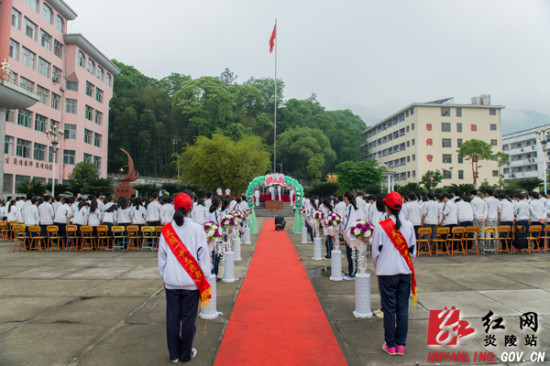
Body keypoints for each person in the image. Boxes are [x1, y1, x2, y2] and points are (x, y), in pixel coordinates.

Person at [158, 193, 211, 363]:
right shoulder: (197, 229)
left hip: (172, 280)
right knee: (189, 318)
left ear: (174, 208)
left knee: (172, 318)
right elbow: (203, 256)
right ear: (191, 209)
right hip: (191, 282)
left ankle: (174, 354)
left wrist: (164, 277)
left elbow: (162, 259)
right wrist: (205, 277)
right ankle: (185, 353)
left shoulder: (166, 230)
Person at [371, 191, 416, 357]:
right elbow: (412, 252)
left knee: (389, 310)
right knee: (402, 309)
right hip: (405, 273)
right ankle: (400, 345)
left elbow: (375, 253)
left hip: (386, 274)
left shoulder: (381, 227)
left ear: (387, 208)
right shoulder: (409, 226)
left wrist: (379, 267)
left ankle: (390, 345)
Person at [342, 192, 357, 280]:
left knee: (352, 254)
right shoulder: (348, 207)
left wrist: (344, 230)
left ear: (346, 198)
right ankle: (351, 271)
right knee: (349, 253)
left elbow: (349, 221)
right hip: (347, 233)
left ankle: (353, 273)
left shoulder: (351, 207)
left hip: (350, 233)